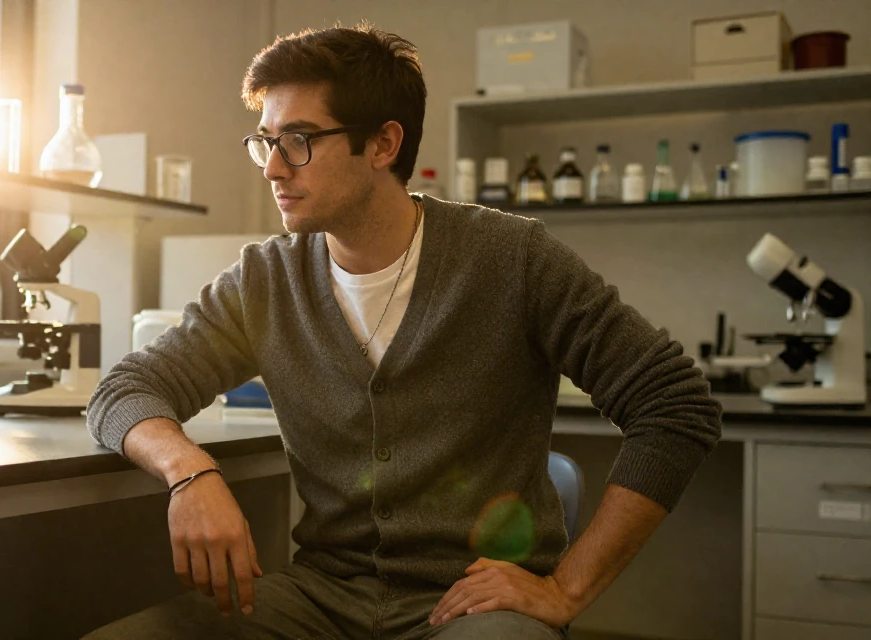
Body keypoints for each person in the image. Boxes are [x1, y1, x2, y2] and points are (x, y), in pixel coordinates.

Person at [83, 23, 721, 640]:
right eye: (265, 142)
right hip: (322, 600)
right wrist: (189, 471)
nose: (274, 168)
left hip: (475, 603)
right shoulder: (266, 279)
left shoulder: (511, 259)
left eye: (299, 140)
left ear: (384, 145)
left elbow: (675, 406)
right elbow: (125, 389)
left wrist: (565, 589)